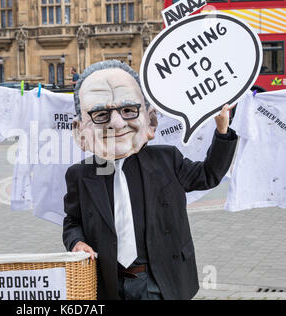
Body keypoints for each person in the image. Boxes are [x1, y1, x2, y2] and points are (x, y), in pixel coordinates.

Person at [62, 60, 238, 300]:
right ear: (80, 133)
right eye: (100, 114)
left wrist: (222, 130)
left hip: (160, 282)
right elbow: (73, 220)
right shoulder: (80, 174)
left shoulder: (167, 159)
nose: (117, 123)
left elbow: (209, 175)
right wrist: (76, 242)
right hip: (109, 283)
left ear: (151, 122)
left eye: (128, 110)